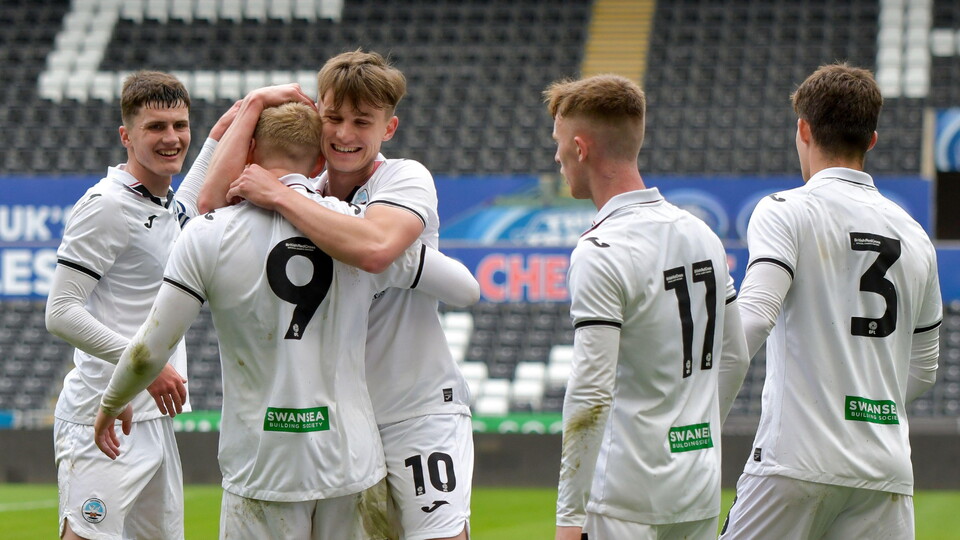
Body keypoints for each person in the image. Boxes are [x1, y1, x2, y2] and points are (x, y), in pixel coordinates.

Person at [92, 102, 480, 540]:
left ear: (251, 152)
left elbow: (150, 347)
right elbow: (465, 289)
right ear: (320, 160)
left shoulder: (206, 234)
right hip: (350, 465)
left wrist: (111, 401)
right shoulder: (354, 229)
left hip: (261, 467)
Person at [197, 50, 474, 540]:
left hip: (416, 409)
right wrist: (255, 104)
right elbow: (210, 211)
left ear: (388, 128)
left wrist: (280, 194)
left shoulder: (404, 177)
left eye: (362, 122)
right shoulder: (313, 192)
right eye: (334, 118)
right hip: (347, 425)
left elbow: (375, 247)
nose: (345, 134)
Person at [719, 63, 942, 539]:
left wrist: (696, 405)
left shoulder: (785, 211)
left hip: (794, 461)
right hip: (885, 472)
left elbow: (755, 318)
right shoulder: (917, 237)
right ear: (872, 139)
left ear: (803, 129)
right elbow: (924, 371)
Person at [544, 74, 750, 540]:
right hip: (696, 488)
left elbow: (591, 393)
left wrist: (569, 519)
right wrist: (692, 436)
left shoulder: (601, 249)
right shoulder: (703, 235)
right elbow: (735, 356)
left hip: (623, 498)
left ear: (580, 147)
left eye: (557, 143)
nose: (556, 156)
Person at [44, 71, 233, 540]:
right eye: (156, 127)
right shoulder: (106, 206)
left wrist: (241, 114)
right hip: (100, 415)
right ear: (126, 136)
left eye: (180, 125)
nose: (172, 138)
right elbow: (61, 311)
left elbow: (192, 188)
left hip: (152, 419)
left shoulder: (163, 205)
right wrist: (143, 365)